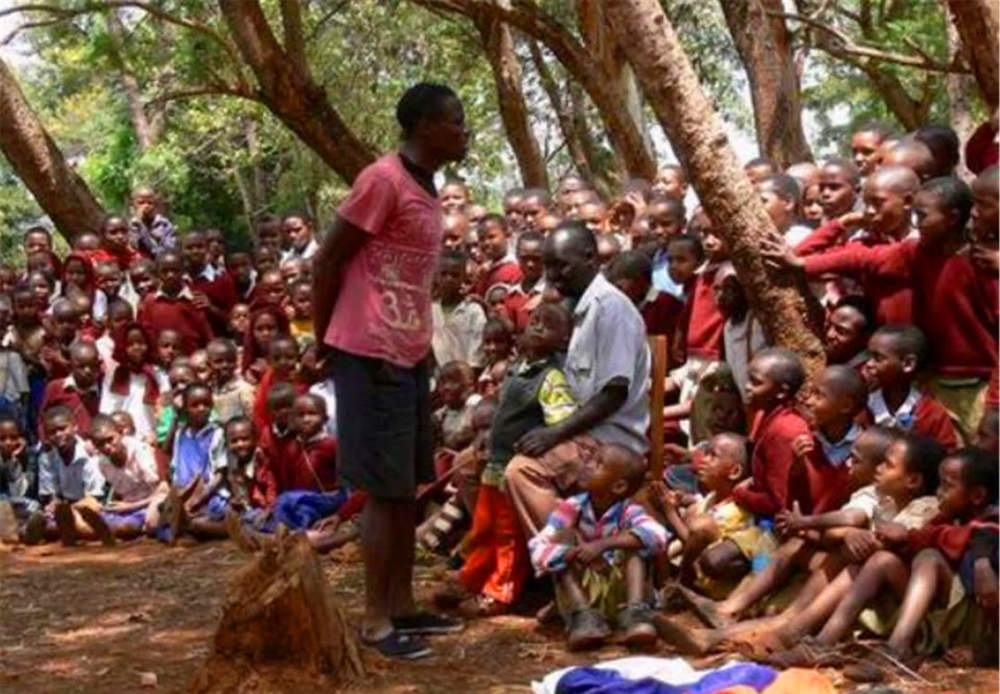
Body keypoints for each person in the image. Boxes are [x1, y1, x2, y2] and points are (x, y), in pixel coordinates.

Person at [312, 83, 469, 658]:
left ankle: (403, 603)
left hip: (407, 351)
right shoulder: (382, 180)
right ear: (424, 126)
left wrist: (422, 341)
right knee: (381, 489)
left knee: (405, 486)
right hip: (367, 349)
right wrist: (322, 336)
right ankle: (376, 619)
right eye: (454, 121)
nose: (464, 129)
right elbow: (330, 258)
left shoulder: (430, 191)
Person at [529, 443, 668, 650]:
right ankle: (583, 616)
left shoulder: (629, 511)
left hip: (621, 592)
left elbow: (659, 535)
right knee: (564, 536)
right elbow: (538, 547)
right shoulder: (572, 507)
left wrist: (603, 545)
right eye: (590, 459)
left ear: (618, 486)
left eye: (598, 463)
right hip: (586, 592)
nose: (587, 465)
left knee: (635, 541)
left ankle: (636, 613)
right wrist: (570, 554)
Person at [731, 348, 812, 517]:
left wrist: (739, 494)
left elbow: (778, 502)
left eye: (756, 383)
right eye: (748, 380)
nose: (747, 387)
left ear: (781, 392)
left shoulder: (785, 430)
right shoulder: (763, 414)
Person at [863, 324, 958, 450]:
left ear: (908, 364)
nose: (869, 364)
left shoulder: (932, 414)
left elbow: (945, 454)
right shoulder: (864, 408)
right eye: (868, 356)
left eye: (878, 358)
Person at [37, 405, 111, 545]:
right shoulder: (46, 458)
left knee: (80, 520)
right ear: (47, 436)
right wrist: (53, 504)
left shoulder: (89, 454)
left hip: (90, 504)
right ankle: (68, 530)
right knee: (47, 519)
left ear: (74, 427)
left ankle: (82, 531)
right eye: (52, 432)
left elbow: (94, 495)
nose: (58, 434)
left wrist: (72, 509)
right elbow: (52, 494)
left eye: (62, 428)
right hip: (65, 506)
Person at [90, 414, 166, 539]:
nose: (107, 447)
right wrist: (112, 506)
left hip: (150, 503)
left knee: (128, 527)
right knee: (100, 517)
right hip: (127, 507)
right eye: (100, 444)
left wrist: (129, 506)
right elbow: (120, 492)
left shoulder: (140, 452)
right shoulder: (103, 463)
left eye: (110, 440)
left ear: (121, 433)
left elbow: (161, 492)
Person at [137, 250, 213, 355]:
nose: (170, 275)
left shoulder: (193, 299)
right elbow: (145, 333)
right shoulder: (150, 302)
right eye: (165, 271)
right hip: (159, 363)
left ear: (183, 271)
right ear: (157, 273)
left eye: (175, 270)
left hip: (189, 361)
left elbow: (206, 334)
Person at [99, 322, 160, 440]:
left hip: (151, 436)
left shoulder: (157, 374)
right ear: (123, 347)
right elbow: (106, 409)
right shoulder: (114, 375)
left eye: (141, 343)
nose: (136, 347)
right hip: (122, 437)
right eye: (130, 344)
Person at [431, 250, 486, 369]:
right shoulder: (430, 310)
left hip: (464, 378)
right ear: (436, 275)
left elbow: (476, 357)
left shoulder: (473, 311)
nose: (449, 279)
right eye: (444, 274)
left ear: (463, 277)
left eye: (455, 275)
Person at [39, 341, 102, 437]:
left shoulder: (103, 390)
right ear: (72, 365)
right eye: (81, 366)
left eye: (92, 365)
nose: (87, 370)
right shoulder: (56, 388)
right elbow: (43, 419)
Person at [504, 231, 546, 333]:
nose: (530, 264)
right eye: (524, 258)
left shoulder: (553, 291)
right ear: (517, 257)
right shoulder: (512, 294)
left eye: (536, 259)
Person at [206, 338, 255, 424]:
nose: (225, 365)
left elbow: (252, 420)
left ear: (236, 362)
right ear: (209, 364)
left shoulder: (244, 390)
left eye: (230, 361)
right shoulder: (208, 390)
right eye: (218, 362)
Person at [475, 214, 522, 297]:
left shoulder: (514, 269)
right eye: (481, 239)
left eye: (491, 237)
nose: (486, 243)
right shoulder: (486, 270)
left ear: (507, 235)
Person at [129, 186, 175, 257]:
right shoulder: (129, 225)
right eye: (141, 203)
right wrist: (138, 223)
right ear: (134, 205)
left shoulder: (164, 224)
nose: (146, 206)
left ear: (155, 205)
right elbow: (132, 247)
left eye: (150, 203)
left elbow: (170, 250)